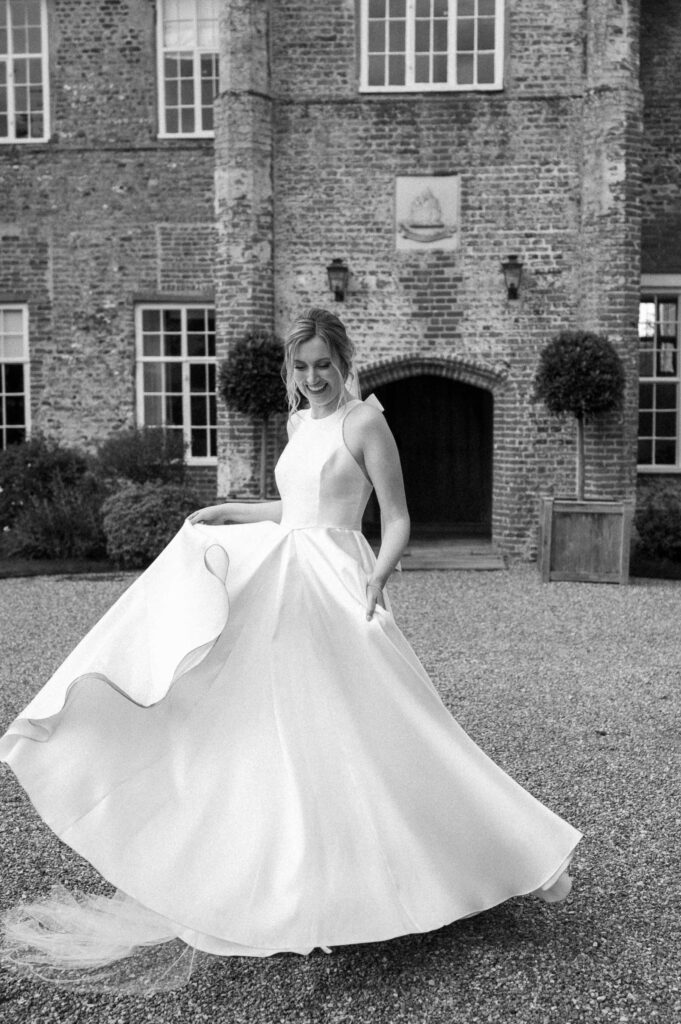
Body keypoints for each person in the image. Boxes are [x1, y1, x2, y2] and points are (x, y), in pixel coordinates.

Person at [0, 308, 581, 994]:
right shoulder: (297, 423)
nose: (312, 379)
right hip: (282, 577)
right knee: (277, 725)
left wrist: (375, 578)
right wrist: (231, 510)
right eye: (300, 367)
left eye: (322, 366)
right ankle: (305, 884)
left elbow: (393, 518)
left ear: (342, 360)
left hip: (337, 583)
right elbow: (293, 507)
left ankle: (503, 850)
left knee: (391, 725)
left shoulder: (364, 420)